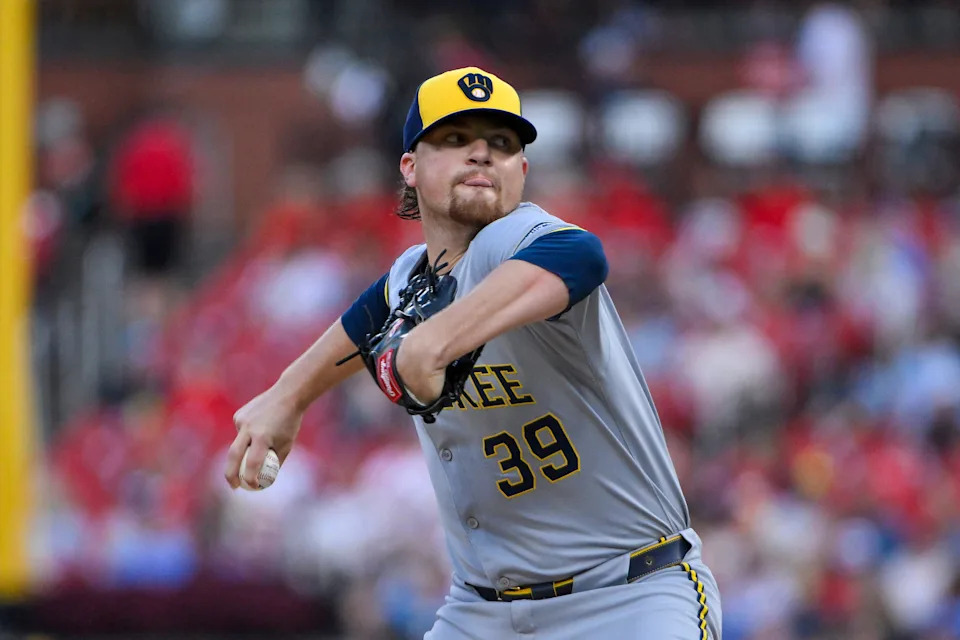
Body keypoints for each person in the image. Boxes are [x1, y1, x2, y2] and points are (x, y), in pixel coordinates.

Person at [224, 66, 722, 639]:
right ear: (410, 166)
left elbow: (581, 255)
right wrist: (288, 395)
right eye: (456, 140)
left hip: (627, 597)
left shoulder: (512, 241)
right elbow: (369, 314)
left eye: (502, 145)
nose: (482, 154)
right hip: (483, 611)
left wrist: (438, 339)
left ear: (522, 172)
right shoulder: (411, 278)